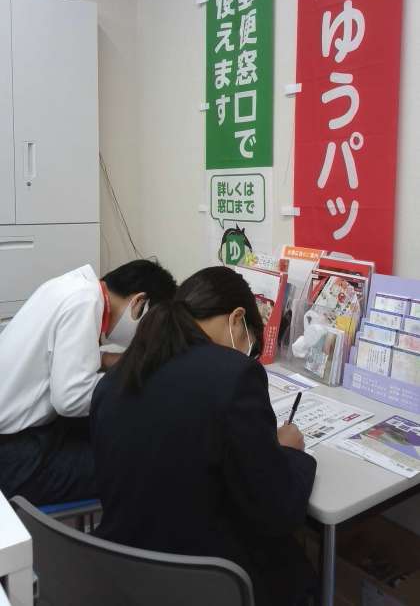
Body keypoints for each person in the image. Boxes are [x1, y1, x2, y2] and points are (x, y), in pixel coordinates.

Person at [91, 266, 317, 606]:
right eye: (250, 344)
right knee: (299, 568)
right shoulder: (235, 376)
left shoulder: (118, 376)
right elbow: (277, 510)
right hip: (205, 581)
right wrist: (289, 452)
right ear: (237, 319)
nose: (248, 354)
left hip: (122, 571)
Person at [0, 259, 176, 504]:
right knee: (138, 465)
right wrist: (134, 380)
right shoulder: (85, 303)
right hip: (16, 456)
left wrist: (104, 360)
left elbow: (57, 357)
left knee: (114, 436)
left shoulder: (73, 287)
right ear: (139, 302)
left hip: (23, 432)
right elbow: (70, 400)